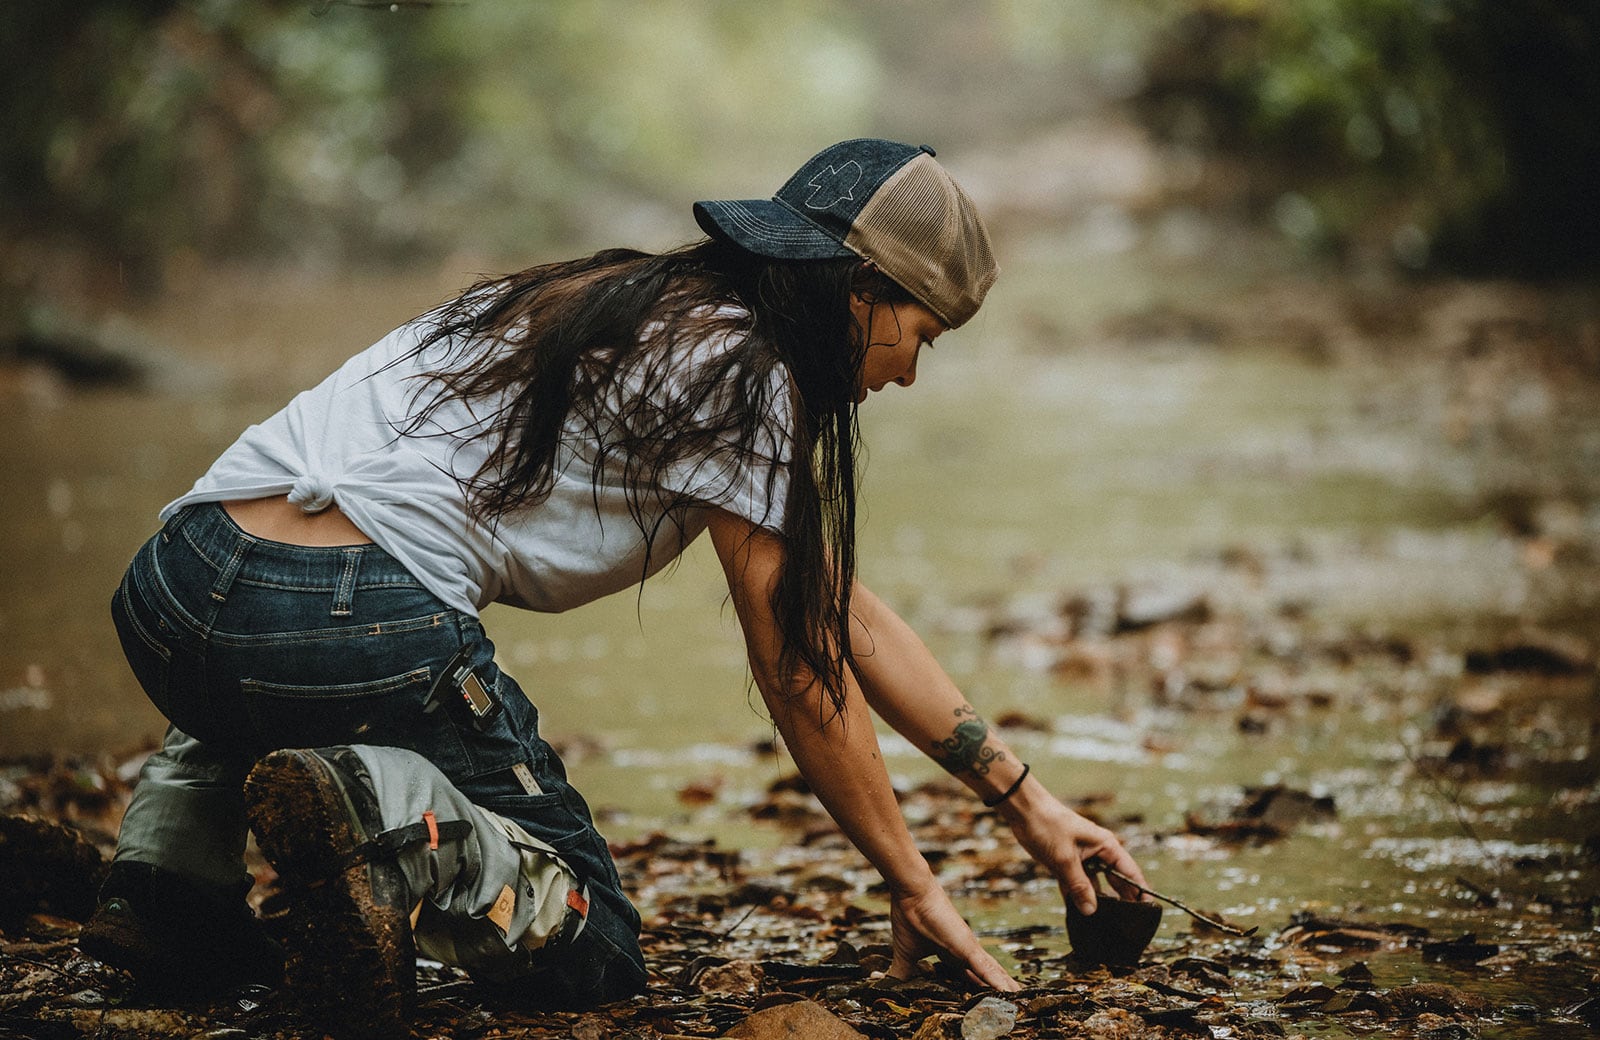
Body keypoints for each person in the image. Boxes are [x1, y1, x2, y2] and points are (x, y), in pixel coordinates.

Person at [79, 139, 1149, 1034]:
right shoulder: (748, 371)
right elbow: (797, 660)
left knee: (276, 651)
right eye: (918, 335)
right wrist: (912, 879)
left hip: (176, 581)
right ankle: (381, 816)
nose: (909, 373)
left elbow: (839, 608)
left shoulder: (610, 297)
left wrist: (1029, 806)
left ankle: (165, 878)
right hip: (340, 616)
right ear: (860, 287)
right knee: (590, 939)